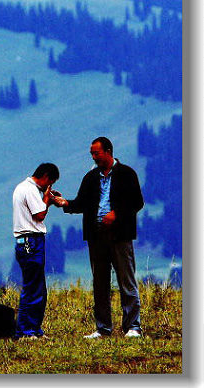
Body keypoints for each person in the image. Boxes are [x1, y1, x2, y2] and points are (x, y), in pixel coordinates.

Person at [54, 137, 144, 338]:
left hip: (120, 235)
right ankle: (103, 328)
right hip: (97, 236)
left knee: (126, 280)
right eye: (92, 154)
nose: (94, 157)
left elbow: (137, 202)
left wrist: (117, 213)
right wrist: (64, 203)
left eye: (97, 153)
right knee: (100, 283)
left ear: (108, 151)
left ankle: (133, 327)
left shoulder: (127, 174)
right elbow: (81, 203)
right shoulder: (91, 177)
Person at [12, 162, 60, 339]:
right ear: (46, 177)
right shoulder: (30, 189)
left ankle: (34, 329)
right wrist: (47, 198)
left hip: (27, 241)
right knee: (32, 287)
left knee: (38, 287)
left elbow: (38, 210)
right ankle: (25, 331)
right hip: (31, 241)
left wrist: (48, 200)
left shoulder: (22, 187)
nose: (49, 187)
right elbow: (39, 215)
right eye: (50, 182)